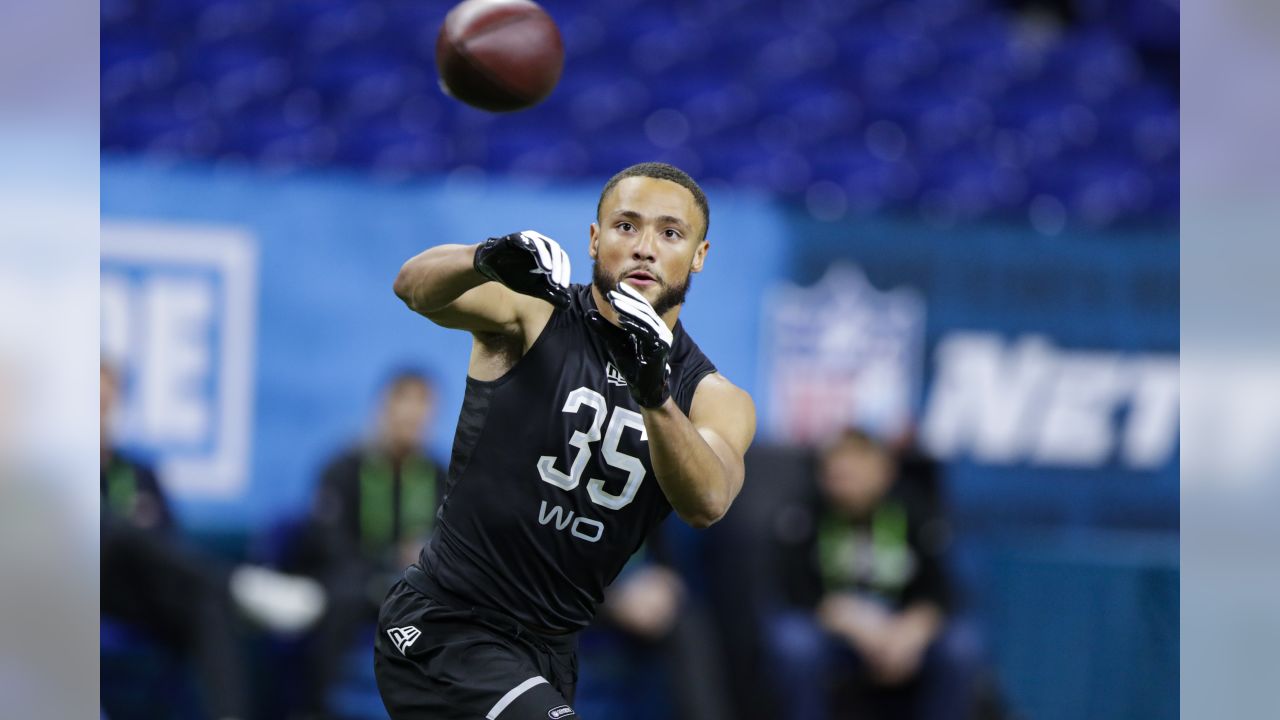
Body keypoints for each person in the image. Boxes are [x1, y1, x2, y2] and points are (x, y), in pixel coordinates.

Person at [375, 162, 756, 720]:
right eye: (626, 226)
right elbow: (412, 286)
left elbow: (708, 501)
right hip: (448, 622)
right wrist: (481, 257)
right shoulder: (537, 312)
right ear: (595, 240)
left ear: (698, 255)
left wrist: (654, 394)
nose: (645, 248)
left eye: (670, 233)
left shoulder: (713, 396)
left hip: (549, 651)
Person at [100, 360, 325, 720]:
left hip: (137, 594)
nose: (99, 413)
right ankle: (239, 585)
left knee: (207, 600)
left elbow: (168, 545)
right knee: (112, 524)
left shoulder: (139, 473)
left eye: (105, 403)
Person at [764, 428, 982, 720]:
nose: (840, 483)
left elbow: (940, 591)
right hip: (834, 629)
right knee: (793, 644)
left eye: (852, 475)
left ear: (883, 473)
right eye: (833, 474)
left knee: (961, 647)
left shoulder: (914, 509)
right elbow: (796, 590)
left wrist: (909, 633)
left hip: (900, 626)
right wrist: (857, 624)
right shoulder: (805, 512)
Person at [293, 369, 447, 718]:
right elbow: (328, 543)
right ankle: (316, 708)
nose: (413, 418)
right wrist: (387, 562)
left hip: (412, 587)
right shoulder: (344, 468)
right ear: (384, 409)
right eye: (404, 406)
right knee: (340, 596)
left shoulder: (438, 474)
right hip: (354, 581)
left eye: (422, 410)